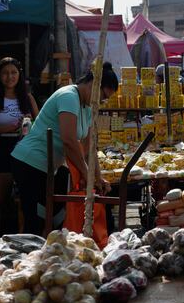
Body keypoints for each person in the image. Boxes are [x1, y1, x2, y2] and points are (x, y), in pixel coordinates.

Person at [11, 63, 118, 235]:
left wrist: (98, 178)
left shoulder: (88, 107)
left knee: (55, 220)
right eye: (103, 96)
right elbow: (69, 140)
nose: (101, 101)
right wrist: (87, 174)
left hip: (50, 168)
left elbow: (90, 148)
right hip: (30, 163)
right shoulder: (69, 96)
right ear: (93, 84)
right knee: (36, 223)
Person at [0, 58, 38, 241]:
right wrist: (12, 126)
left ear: (19, 75)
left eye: (14, 72)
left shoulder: (27, 98)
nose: (10, 77)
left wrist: (27, 124)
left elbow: (39, 124)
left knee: (23, 199)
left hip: (24, 148)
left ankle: (23, 240)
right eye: (5, 73)